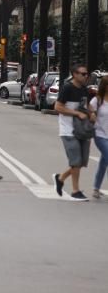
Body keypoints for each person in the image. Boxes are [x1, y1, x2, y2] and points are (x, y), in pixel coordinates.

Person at [53, 64, 95, 201]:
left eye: (86, 74)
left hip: (82, 130)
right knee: (76, 161)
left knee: (81, 162)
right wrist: (76, 113)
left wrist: (91, 113)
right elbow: (58, 107)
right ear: (74, 74)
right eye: (83, 74)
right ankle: (75, 191)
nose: (85, 76)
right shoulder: (67, 88)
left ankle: (60, 178)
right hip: (68, 130)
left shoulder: (84, 89)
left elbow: (86, 106)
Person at [89, 75, 108, 199]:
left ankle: (96, 188)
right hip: (100, 134)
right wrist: (91, 115)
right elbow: (90, 112)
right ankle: (96, 188)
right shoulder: (97, 100)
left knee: (104, 162)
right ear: (104, 86)